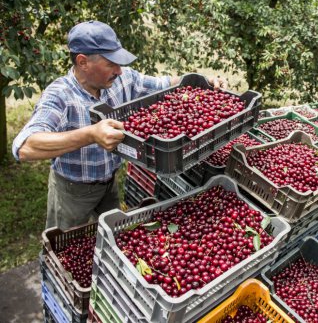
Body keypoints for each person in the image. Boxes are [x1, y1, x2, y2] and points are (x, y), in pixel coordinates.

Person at [12, 20, 228, 230]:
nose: (119, 70)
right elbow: (25, 147)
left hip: (109, 182)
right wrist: (91, 134)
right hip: (72, 191)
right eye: (110, 63)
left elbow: (161, 84)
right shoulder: (60, 96)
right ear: (83, 62)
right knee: (64, 248)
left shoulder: (121, 80)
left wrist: (199, 81)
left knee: (113, 231)